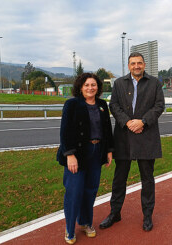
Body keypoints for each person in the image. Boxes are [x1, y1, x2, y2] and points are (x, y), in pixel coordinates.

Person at [99, 52, 165, 232]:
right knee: (119, 179)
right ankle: (115, 213)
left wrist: (142, 121)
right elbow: (114, 105)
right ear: (128, 66)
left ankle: (147, 216)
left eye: (139, 63)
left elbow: (159, 106)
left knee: (147, 180)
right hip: (123, 138)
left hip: (146, 136)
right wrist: (128, 122)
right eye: (133, 63)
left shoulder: (154, 83)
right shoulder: (119, 83)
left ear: (144, 65)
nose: (136, 66)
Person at [57, 73, 114, 244]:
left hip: (97, 152)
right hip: (78, 153)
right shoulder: (72, 104)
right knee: (74, 192)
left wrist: (109, 151)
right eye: (87, 85)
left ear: (98, 87)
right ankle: (69, 228)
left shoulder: (102, 105)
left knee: (90, 190)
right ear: (80, 87)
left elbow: (107, 129)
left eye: (94, 85)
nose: (91, 88)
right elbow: (65, 131)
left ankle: (85, 222)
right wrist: (70, 155)